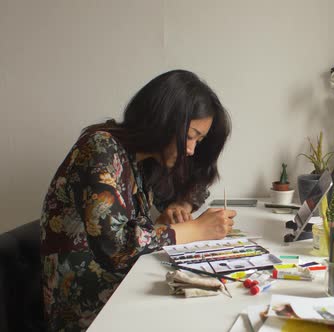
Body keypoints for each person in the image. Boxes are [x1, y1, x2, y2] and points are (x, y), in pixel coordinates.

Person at [40, 70, 236, 331]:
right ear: (163, 119)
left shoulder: (142, 161)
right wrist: (193, 229)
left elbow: (195, 185)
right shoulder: (100, 147)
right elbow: (116, 248)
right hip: (86, 306)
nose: (191, 150)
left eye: (198, 140)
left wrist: (180, 208)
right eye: (189, 136)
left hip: (124, 286)